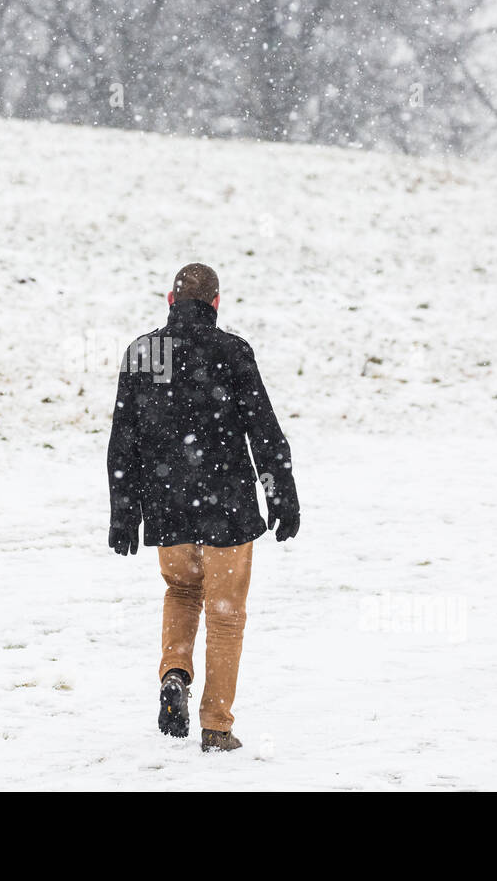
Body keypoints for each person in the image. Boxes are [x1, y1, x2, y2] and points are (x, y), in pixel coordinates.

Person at [107, 262, 299, 752]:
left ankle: (174, 672)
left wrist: (125, 512)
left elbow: (122, 441)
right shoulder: (233, 352)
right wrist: (281, 491)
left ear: (171, 302)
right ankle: (216, 725)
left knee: (181, 591)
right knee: (226, 614)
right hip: (227, 507)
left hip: (169, 508)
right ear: (216, 304)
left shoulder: (145, 353)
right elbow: (264, 429)